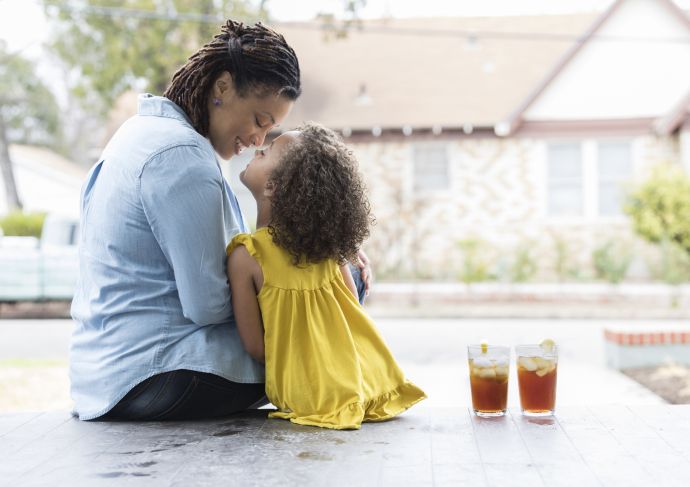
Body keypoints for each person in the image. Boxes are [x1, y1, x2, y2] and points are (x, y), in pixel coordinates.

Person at [70, 20, 326, 421]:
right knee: (326, 328)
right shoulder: (182, 158)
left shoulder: (142, 132)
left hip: (106, 374)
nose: (260, 141)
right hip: (155, 373)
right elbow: (208, 305)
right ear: (222, 87)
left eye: (270, 129)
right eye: (260, 121)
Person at [226, 123, 426, 429]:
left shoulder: (246, 256)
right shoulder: (329, 253)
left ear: (272, 186)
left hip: (304, 394)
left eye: (265, 152)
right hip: (367, 379)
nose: (258, 148)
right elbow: (350, 314)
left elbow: (256, 348)